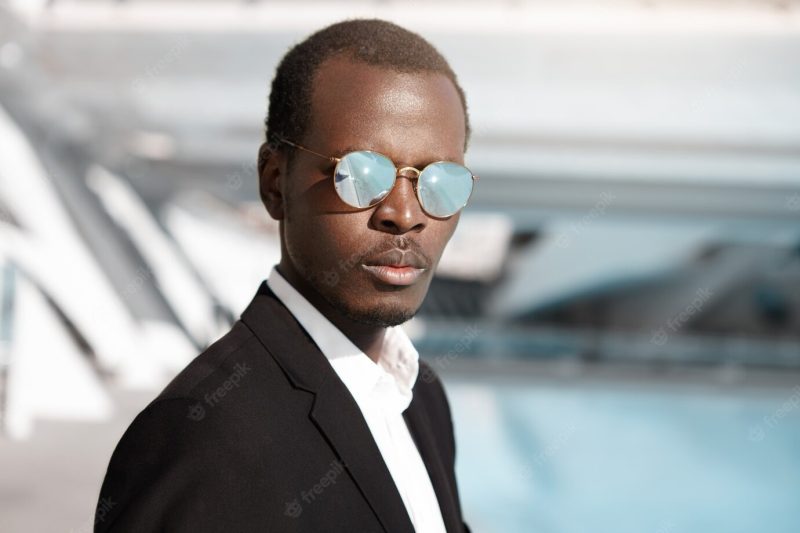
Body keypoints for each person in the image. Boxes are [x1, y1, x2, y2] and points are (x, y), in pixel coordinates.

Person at [95, 18, 476, 532]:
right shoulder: (202, 435)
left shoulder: (422, 397)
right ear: (276, 183)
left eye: (440, 181)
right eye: (360, 175)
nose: (405, 214)